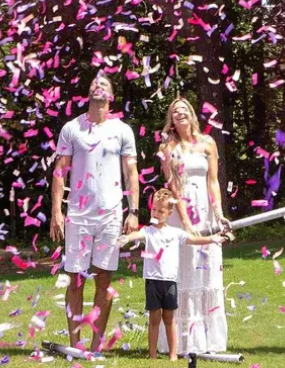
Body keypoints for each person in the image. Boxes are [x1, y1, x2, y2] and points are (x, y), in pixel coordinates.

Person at [50, 72, 140, 352]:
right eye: (93, 82)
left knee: (104, 279)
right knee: (75, 280)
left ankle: (97, 346)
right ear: (88, 93)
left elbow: (131, 173)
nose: (98, 84)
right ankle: (75, 345)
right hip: (78, 215)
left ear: (111, 96)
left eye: (104, 83)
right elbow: (59, 171)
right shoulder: (71, 128)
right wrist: (56, 210)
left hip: (111, 215)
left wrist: (133, 211)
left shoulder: (122, 130)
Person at [157, 97, 230, 353]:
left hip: (206, 212)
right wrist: (186, 223)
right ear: (172, 121)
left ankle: (208, 341)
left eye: (183, 110)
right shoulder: (169, 146)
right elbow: (173, 185)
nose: (179, 114)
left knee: (206, 270)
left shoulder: (208, 143)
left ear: (191, 115)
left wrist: (219, 215)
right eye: (174, 112)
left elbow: (213, 182)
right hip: (182, 213)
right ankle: (183, 341)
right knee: (185, 272)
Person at [119, 189, 225, 360]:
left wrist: (212, 239)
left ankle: (173, 354)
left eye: (161, 211)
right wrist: (127, 238)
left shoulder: (175, 233)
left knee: (169, 319)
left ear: (169, 213)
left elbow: (193, 239)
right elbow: (137, 234)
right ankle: (152, 355)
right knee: (154, 319)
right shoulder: (148, 231)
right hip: (153, 282)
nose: (156, 213)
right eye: (154, 209)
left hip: (170, 282)